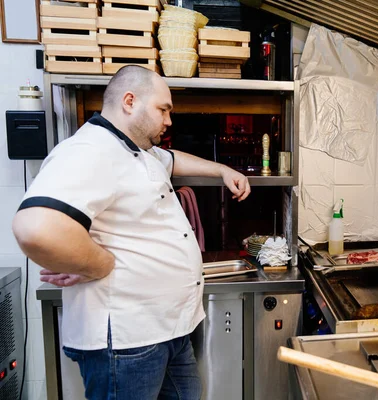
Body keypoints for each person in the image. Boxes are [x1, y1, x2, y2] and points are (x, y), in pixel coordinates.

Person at [12, 65, 251, 399]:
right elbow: (36, 227)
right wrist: (99, 264)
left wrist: (222, 170)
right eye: (163, 109)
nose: (169, 120)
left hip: (167, 330)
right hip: (127, 342)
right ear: (129, 101)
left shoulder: (136, 149)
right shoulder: (90, 150)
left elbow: (172, 160)